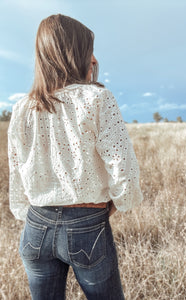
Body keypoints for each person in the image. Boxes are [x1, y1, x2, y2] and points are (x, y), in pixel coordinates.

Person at [8, 14, 143, 300]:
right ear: (78, 53)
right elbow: (124, 168)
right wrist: (117, 204)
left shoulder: (21, 108)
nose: (94, 56)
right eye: (89, 49)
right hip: (87, 222)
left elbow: (17, 171)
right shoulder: (97, 98)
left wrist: (27, 214)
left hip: (35, 225)